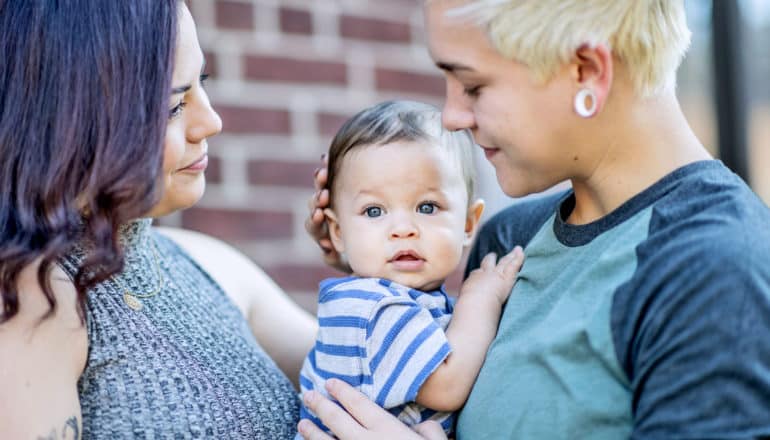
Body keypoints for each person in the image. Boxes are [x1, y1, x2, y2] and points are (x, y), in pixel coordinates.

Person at [300, 0, 770, 438]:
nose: (452, 117)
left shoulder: (717, 272)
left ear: (587, 71)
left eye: (473, 86)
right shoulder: (509, 239)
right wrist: (363, 277)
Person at [0, 1, 316, 438]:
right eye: (173, 107)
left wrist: (372, 250)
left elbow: (379, 373)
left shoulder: (207, 263)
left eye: (202, 83)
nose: (211, 122)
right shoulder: (33, 300)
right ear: (74, 119)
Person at [296, 100, 524, 438]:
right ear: (339, 232)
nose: (403, 229)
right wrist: (480, 299)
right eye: (374, 211)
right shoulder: (371, 308)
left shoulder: (396, 298)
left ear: (467, 224)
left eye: (427, 207)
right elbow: (446, 385)